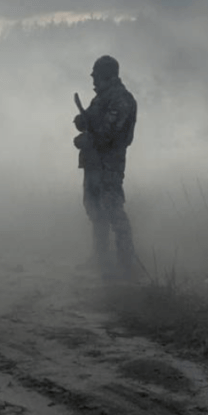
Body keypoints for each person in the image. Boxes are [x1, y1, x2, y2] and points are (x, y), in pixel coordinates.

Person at [73, 55, 138, 279]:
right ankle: (101, 258)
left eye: (96, 75)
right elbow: (93, 121)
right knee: (95, 210)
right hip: (93, 163)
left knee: (113, 210)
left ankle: (126, 264)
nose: (93, 79)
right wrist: (82, 121)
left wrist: (87, 139)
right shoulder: (102, 98)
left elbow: (110, 133)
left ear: (107, 75)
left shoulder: (121, 99)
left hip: (109, 164)